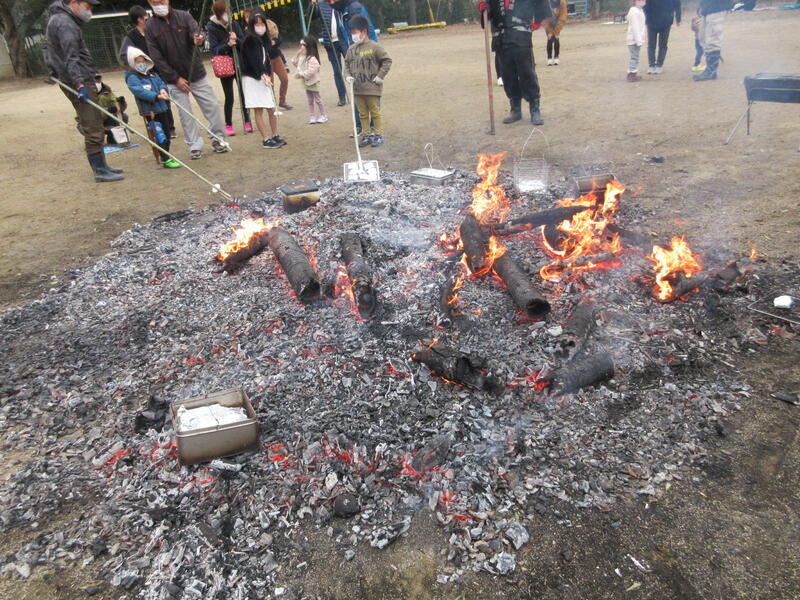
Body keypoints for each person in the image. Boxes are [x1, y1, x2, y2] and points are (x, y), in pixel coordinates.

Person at [45, 0, 124, 182]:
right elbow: (70, 56)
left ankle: (102, 166)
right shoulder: (65, 23)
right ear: (74, 3)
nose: (90, 11)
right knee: (93, 124)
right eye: (87, 6)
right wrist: (80, 84)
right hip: (78, 80)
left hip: (75, 78)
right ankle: (99, 170)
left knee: (95, 121)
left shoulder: (60, 19)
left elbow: (48, 50)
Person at [145, 0, 228, 160]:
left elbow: (197, 33)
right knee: (185, 114)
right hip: (173, 79)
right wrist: (176, 79)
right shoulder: (150, 26)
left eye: (161, 0)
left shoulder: (184, 16)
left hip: (196, 72)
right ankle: (195, 146)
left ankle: (218, 139)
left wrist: (199, 39)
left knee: (211, 106)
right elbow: (156, 57)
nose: (159, 4)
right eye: (155, 2)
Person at [486, 0, 552, 126]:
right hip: (501, 39)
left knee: (527, 73)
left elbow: (541, 4)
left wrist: (537, 22)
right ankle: (515, 109)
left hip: (521, 38)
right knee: (507, 75)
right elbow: (488, 13)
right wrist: (485, 9)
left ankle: (535, 109)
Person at [119, 5, 176, 138]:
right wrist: (139, 60)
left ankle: (170, 127)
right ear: (140, 19)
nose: (148, 19)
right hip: (143, 74)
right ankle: (155, 128)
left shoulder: (153, 31)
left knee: (164, 98)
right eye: (146, 17)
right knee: (149, 100)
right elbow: (123, 55)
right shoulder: (131, 37)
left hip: (158, 71)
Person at [125, 47, 181, 169]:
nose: (141, 64)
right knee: (159, 135)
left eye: (142, 61)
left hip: (162, 108)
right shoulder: (132, 77)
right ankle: (165, 158)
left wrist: (163, 89)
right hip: (150, 111)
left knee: (167, 133)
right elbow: (139, 91)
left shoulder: (153, 74)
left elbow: (161, 83)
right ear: (132, 63)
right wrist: (156, 96)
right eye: (138, 62)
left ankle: (166, 154)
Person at [344, 15, 391, 148]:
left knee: (375, 112)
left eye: (354, 32)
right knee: (362, 114)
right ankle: (367, 135)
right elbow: (346, 65)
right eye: (351, 32)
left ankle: (378, 135)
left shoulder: (375, 47)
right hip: (357, 89)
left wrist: (380, 76)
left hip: (372, 88)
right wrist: (347, 76)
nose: (352, 35)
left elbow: (387, 61)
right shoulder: (351, 49)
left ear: (363, 32)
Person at [206, 0, 252, 136]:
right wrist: (227, 44)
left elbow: (244, 43)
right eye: (225, 12)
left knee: (243, 94)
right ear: (219, 14)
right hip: (225, 66)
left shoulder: (235, 24)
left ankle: (247, 120)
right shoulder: (211, 27)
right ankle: (229, 124)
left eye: (229, 11)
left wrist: (236, 40)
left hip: (238, 63)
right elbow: (215, 49)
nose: (228, 14)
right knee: (229, 96)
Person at [241, 12, 286, 149]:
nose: (260, 26)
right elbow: (253, 60)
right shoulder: (249, 39)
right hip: (253, 77)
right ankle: (266, 138)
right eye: (257, 24)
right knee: (258, 108)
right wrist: (262, 74)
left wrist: (266, 73)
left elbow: (267, 55)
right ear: (252, 25)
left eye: (262, 24)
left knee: (271, 107)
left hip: (263, 76)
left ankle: (275, 134)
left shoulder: (264, 40)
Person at [311, 0, 348, 105]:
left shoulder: (342, 3)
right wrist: (313, 5)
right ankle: (342, 97)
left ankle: (358, 93)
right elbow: (313, 16)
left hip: (344, 41)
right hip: (331, 44)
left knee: (353, 67)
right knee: (337, 72)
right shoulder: (321, 4)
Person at [293, 36, 328, 124]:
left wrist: (301, 74)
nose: (301, 47)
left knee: (318, 99)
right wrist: (297, 55)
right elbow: (295, 63)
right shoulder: (303, 57)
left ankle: (323, 115)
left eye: (303, 45)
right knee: (309, 100)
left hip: (313, 82)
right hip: (306, 82)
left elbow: (311, 71)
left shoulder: (312, 58)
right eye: (301, 45)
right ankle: (312, 115)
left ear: (308, 46)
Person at [693, 0, 729, 81]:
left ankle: (711, 71)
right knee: (702, 38)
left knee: (712, 39)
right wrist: (701, 6)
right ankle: (709, 69)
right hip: (707, 8)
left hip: (717, 8)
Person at [643, 0, 681, 75]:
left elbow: (677, 4)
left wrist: (678, 18)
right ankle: (653, 66)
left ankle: (657, 65)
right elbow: (645, 5)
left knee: (660, 45)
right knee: (654, 45)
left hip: (664, 21)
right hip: (653, 21)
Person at [265, 18, 292, 110]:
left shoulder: (275, 37)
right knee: (270, 83)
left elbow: (280, 39)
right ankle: (272, 103)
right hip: (267, 60)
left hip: (277, 58)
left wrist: (275, 41)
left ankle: (282, 101)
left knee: (284, 79)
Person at [94, 73, 129, 144]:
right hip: (91, 122)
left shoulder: (107, 91)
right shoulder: (85, 94)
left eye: (99, 79)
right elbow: (91, 114)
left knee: (124, 116)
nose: (97, 82)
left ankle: (112, 136)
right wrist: (108, 110)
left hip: (106, 119)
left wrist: (122, 103)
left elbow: (119, 110)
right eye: (95, 80)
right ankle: (96, 138)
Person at [626, 0, 647, 82]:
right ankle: (631, 75)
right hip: (633, 39)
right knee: (634, 57)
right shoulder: (634, 12)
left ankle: (633, 73)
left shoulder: (640, 11)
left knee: (635, 57)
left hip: (637, 38)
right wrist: (639, 40)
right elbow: (635, 27)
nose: (643, 1)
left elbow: (642, 26)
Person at [545, 0, 567, 66]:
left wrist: (557, 31)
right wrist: (549, 31)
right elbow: (545, 17)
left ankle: (556, 57)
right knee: (550, 38)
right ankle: (549, 58)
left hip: (558, 22)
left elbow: (563, 17)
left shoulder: (562, 2)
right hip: (548, 22)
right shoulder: (546, 2)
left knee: (556, 38)